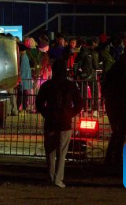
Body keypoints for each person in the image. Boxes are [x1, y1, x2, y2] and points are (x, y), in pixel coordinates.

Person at [36, 59, 83, 188]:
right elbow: (79, 104)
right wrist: (70, 114)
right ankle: (58, 179)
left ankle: (50, 177)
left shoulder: (47, 85)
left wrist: (46, 113)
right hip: (64, 122)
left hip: (51, 121)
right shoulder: (71, 85)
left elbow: (39, 103)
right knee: (62, 153)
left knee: (50, 152)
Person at [102, 52, 126, 166]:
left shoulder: (111, 72)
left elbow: (105, 87)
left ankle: (110, 156)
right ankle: (117, 156)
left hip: (111, 103)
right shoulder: (124, 73)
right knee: (122, 130)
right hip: (121, 104)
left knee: (115, 131)